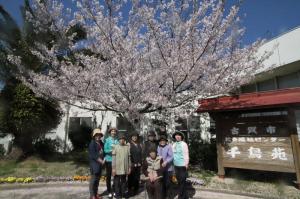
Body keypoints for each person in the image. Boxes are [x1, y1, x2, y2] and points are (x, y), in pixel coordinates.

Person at [112, 133, 131, 199]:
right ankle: (118, 195)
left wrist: (129, 167)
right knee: (116, 182)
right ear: (118, 140)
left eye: (123, 139)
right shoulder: (115, 147)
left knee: (123, 181)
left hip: (125, 167)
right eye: (120, 139)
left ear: (124, 140)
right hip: (117, 167)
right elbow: (113, 158)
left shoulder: (127, 147)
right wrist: (113, 168)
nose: (122, 140)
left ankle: (123, 194)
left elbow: (129, 158)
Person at [88, 128, 105, 199]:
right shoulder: (92, 143)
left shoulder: (101, 143)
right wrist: (101, 160)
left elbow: (104, 151)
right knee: (93, 180)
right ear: (94, 136)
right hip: (94, 164)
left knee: (97, 180)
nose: (98, 136)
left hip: (100, 164)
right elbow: (93, 154)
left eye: (99, 135)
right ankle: (92, 196)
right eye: (96, 135)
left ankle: (96, 193)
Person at [172, 131, 189, 199]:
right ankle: (184, 196)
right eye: (176, 135)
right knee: (179, 181)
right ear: (175, 137)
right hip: (176, 165)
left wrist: (186, 164)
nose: (177, 136)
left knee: (182, 181)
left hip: (182, 165)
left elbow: (186, 154)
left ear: (181, 137)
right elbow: (173, 155)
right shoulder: (173, 144)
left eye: (179, 135)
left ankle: (181, 197)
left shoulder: (184, 144)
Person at [104, 127, 119, 198]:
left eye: (114, 131)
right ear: (110, 132)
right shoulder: (107, 140)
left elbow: (119, 149)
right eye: (112, 131)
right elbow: (105, 150)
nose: (113, 132)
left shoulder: (117, 141)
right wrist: (111, 150)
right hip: (109, 160)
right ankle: (109, 191)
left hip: (115, 160)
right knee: (109, 176)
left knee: (116, 176)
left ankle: (115, 191)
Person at [157, 134, 173, 199]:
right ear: (159, 141)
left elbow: (171, 156)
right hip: (161, 168)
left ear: (166, 141)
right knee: (161, 182)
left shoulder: (169, 146)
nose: (162, 142)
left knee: (168, 183)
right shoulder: (158, 147)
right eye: (161, 141)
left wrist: (166, 161)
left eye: (164, 140)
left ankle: (169, 196)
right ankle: (163, 196)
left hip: (168, 168)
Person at [128, 131, 143, 196]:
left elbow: (141, 154)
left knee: (137, 177)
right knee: (131, 177)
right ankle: (130, 189)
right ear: (131, 137)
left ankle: (136, 190)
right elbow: (128, 155)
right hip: (132, 164)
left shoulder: (140, 144)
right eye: (133, 136)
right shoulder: (128, 144)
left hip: (138, 164)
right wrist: (132, 163)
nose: (134, 137)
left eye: (136, 136)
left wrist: (140, 162)